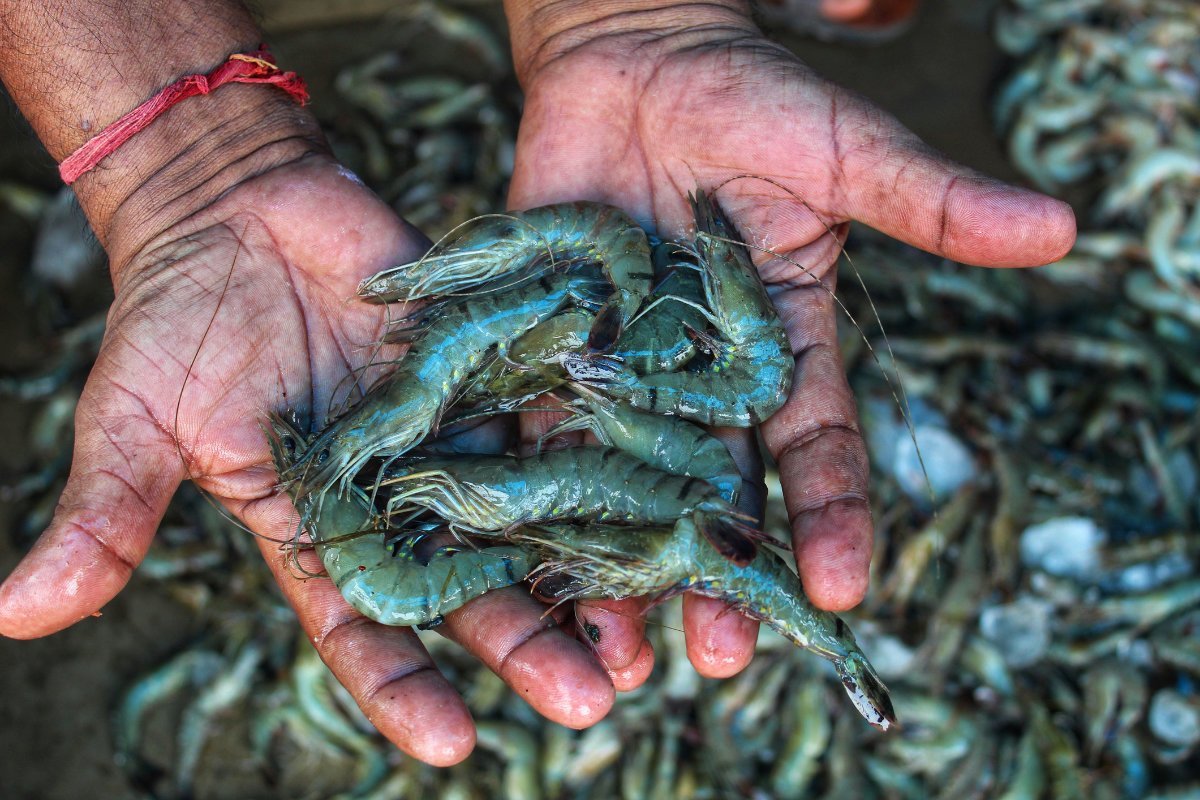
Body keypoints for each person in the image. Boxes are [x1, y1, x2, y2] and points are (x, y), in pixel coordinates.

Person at [0, 0, 1074, 766]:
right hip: (606, 415)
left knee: (516, 467)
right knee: (496, 463)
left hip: (618, 413)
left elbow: (697, 394)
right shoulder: (611, 372)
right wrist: (185, 165)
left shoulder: (646, 368)